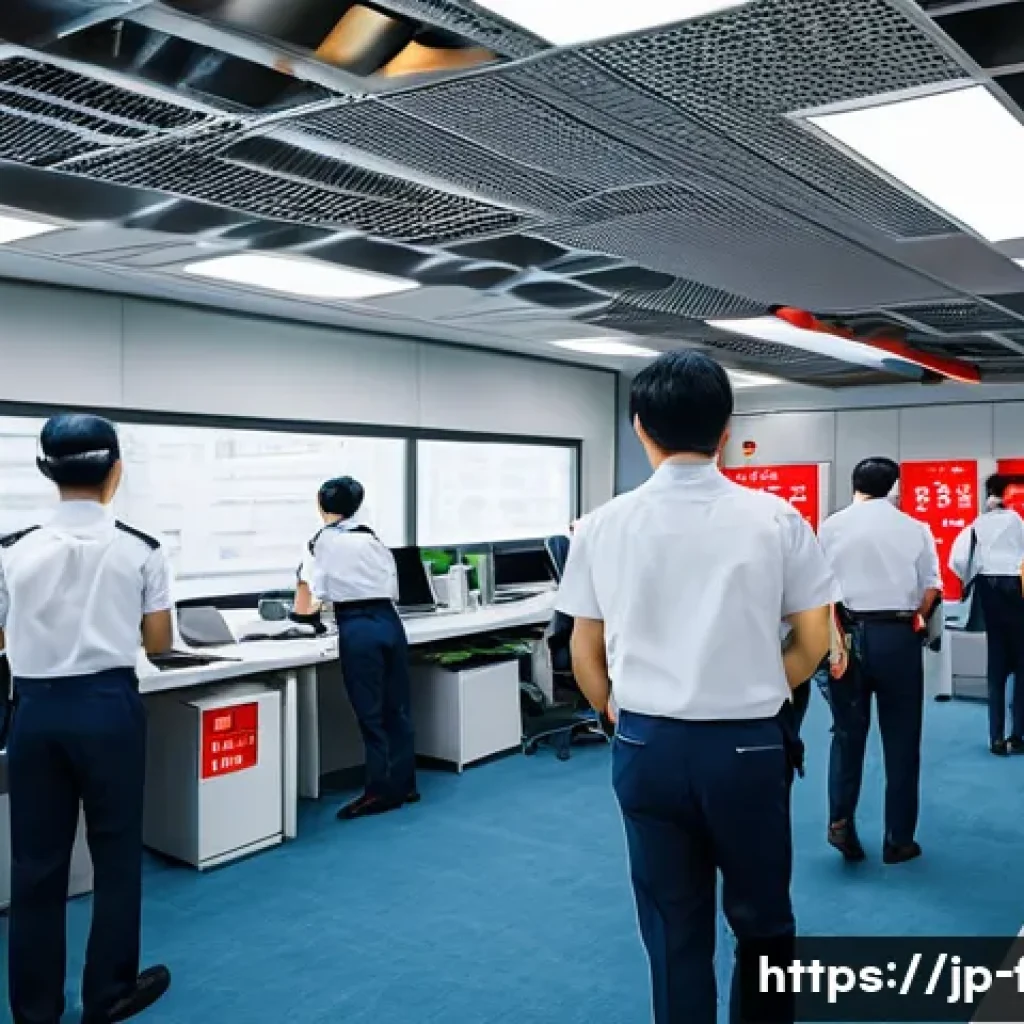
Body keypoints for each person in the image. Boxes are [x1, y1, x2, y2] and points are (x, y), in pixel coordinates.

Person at [555, 351, 833, 1024]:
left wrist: (616, 707)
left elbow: (582, 650)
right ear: (726, 426)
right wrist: (765, 686)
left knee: (673, 930)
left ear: (639, 426)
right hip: (748, 748)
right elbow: (814, 640)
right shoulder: (777, 519)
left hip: (646, 743)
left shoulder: (599, 526)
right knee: (764, 921)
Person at [1, 413, 173, 1024]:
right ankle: (107, 995)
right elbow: (158, 642)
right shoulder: (142, 549)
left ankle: (34, 1010)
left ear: (47, 471)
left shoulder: (11, 551)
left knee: (35, 866)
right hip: (108, 709)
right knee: (117, 854)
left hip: (36, 712)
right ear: (115, 473)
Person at [817, 457, 941, 865]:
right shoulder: (914, 528)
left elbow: (819, 587)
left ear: (855, 485)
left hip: (847, 638)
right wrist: (917, 619)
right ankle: (899, 839)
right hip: (898, 636)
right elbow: (930, 589)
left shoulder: (831, 527)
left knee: (847, 734)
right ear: (894, 486)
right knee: (902, 740)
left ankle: (840, 820)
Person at [293, 475, 417, 819]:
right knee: (398, 709)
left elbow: (309, 596)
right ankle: (404, 784)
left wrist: (301, 617)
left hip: (357, 626)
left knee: (370, 713)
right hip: (390, 623)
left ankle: (379, 792)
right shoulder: (371, 537)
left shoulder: (319, 542)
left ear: (320, 503)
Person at [949, 474, 1024, 755]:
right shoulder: (1017, 522)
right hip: (1017, 590)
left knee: (996, 669)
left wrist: (973, 576)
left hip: (988, 589)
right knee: (1022, 669)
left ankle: (995, 736)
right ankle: (1018, 734)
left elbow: (957, 558)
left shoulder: (977, 524)